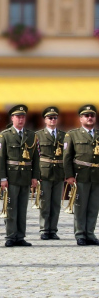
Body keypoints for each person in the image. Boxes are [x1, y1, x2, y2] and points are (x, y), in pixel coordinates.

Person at [0, 105, 40, 248]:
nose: (20, 119)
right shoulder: (5, 135)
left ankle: (20, 236)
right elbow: (0, 158)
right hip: (11, 176)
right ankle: (10, 235)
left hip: (26, 176)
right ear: (12, 118)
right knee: (10, 207)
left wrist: (35, 176)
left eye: (22, 117)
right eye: (18, 117)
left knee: (22, 208)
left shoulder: (32, 135)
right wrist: (2, 178)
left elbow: (36, 158)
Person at [63, 104, 99, 246]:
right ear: (80, 118)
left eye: (92, 115)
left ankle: (90, 233)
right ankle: (80, 234)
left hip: (96, 176)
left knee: (93, 207)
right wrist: (69, 175)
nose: (90, 118)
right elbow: (67, 157)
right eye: (86, 115)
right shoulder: (72, 134)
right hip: (80, 175)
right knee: (80, 206)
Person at [36, 107, 65, 240]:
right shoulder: (38, 135)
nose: (53, 120)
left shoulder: (64, 136)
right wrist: (36, 175)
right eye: (50, 118)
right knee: (45, 202)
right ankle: (44, 229)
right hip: (45, 172)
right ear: (45, 120)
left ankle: (53, 229)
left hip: (59, 172)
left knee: (56, 203)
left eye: (55, 118)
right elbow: (34, 156)